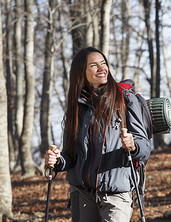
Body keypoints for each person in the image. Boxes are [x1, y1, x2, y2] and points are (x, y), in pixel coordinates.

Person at [44, 47, 151, 222]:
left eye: (103, 63)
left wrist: (133, 145)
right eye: (94, 65)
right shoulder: (76, 107)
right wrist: (57, 161)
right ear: (81, 73)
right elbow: (70, 156)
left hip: (116, 195)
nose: (102, 68)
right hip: (82, 194)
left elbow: (144, 147)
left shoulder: (125, 99)